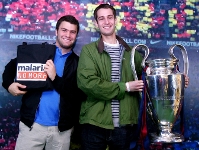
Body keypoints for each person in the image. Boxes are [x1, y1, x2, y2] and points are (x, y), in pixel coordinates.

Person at [77, 4, 189, 150]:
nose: (106, 22)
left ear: (115, 20)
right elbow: (88, 83)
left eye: (110, 17)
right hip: (94, 124)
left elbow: (152, 83)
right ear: (96, 23)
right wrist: (126, 87)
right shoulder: (88, 51)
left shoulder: (133, 54)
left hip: (124, 126)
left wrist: (176, 82)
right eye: (101, 18)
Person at [2, 15, 84, 150]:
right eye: (64, 30)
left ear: (76, 35)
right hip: (32, 126)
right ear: (56, 31)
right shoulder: (40, 53)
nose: (68, 35)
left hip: (61, 131)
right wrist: (9, 84)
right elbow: (11, 67)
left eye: (72, 32)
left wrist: (55, 78)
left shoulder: (79, 63)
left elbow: (77, 95)